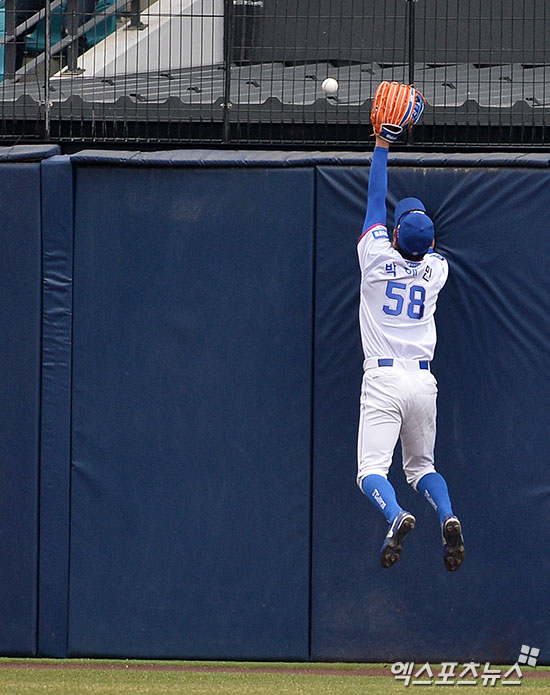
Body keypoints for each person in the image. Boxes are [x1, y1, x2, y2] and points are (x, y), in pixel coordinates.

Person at [356, 134, 465, 571]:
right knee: (421, 469)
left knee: (370, 471)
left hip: (383, 378)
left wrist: (382, 143)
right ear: (430, 244)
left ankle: (395, 515)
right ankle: (447, 514)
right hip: (422, 381)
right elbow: (425, 247)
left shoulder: (374, 257)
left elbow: (375, 200)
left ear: (394, 234)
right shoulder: (437, 270)